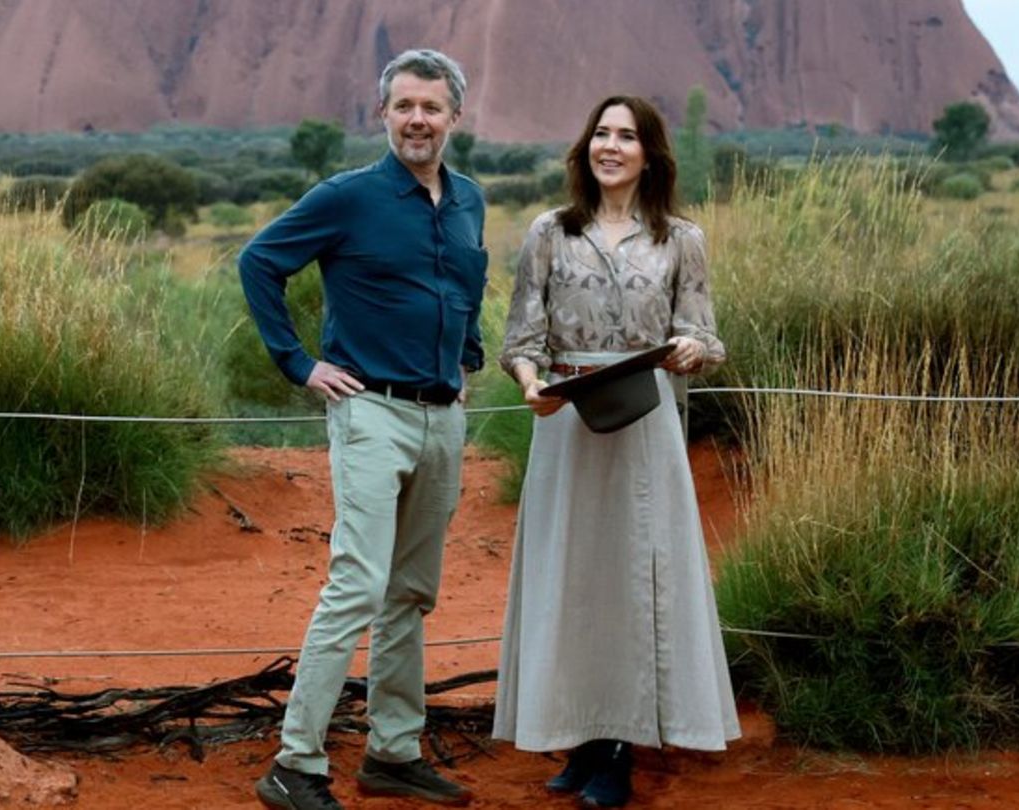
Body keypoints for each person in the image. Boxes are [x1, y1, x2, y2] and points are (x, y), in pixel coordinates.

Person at [239, 49, 487, 810]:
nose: (418, 119)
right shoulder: (346, 197)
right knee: (358, 584)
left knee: (411, 591)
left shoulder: (469, 199)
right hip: (371, 410)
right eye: (405, 106)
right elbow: (259, 262)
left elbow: (463, 289)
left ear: (454, 118)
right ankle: (296, 764)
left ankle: (394, 751)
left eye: (432, 107)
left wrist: (467, 356)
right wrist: (299, 363)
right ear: (383, 114)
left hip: (443, 416)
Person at [492, 95, 741, 808]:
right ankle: (578, 738)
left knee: (634, 583)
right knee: (569, 579)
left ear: (649, 154)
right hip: (568, 417)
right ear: (585, 148)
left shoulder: (680, 239)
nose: (610, 146)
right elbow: (521, 339)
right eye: (601, 133)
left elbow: (706, 335)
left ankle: (618, 751)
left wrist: (693, 349)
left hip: (645, 418)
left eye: (626, 136)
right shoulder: (549, 232)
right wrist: (532, 384)